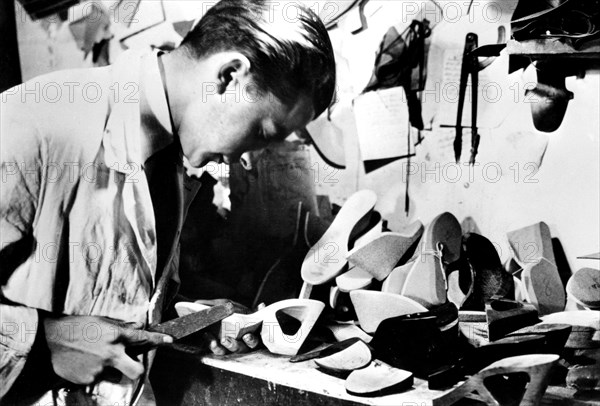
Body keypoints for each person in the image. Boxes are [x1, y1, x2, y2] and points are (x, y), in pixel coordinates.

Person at [0, 0, 336, 404]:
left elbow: (102, 285)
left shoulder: (169, 156)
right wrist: (45, 341)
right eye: (264, 132)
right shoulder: (32, 122)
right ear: (229, 76)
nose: (250, 159)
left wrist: (180, 316)